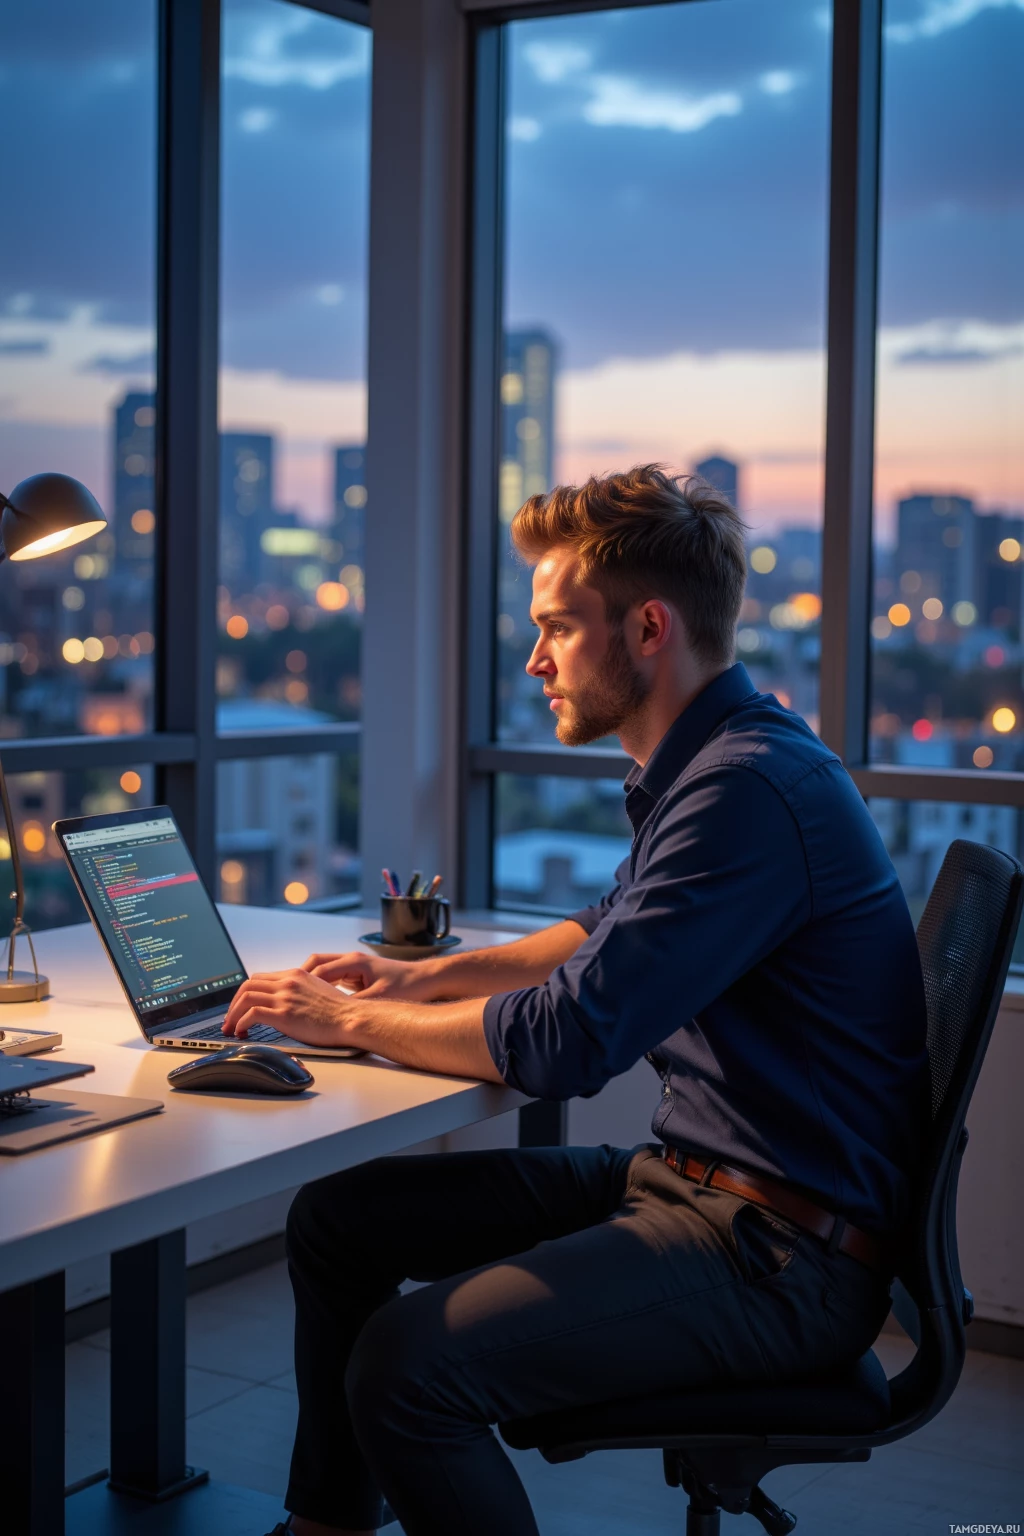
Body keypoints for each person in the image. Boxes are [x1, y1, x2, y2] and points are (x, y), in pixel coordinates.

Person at [227, 466, 929, 1536]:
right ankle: (326, 1527)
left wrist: (349, 1023)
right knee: (339, 1222)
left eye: (557, 627)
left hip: (779, 1254)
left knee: (406, 1370)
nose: (534, 660)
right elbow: (594, 933)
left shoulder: (745, 792)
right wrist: (414, 977)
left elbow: (566, 1042)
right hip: (696, 1183)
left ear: (647, 629)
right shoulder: (720, 764)